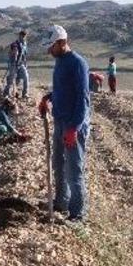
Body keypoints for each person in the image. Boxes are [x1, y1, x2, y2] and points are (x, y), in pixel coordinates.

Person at [37, 24, 90, 224]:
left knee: (73, 170)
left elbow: (82, 98)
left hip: (72, 125)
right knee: (58, 163)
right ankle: (61, 202)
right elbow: (62, 89)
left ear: (62, 42)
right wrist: (47, 98)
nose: (49, 51)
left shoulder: (77, 63)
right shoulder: (60, 61)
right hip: (60, 120)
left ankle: (77, 215)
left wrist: (74, 128)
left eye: (52, 47)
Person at [13, 31, 30, 98]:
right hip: (15, 64)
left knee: (26, 78)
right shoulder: (16, 43)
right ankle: (14, 93)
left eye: (24, 36)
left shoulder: (25, 44)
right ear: (19, 36)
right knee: (16, 80)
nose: (23, 38)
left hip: (21, 64)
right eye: (21, 36)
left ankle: (25, 94)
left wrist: (25, 63)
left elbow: (24, 55)